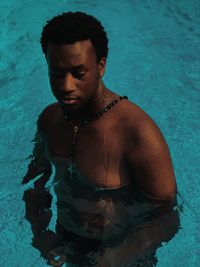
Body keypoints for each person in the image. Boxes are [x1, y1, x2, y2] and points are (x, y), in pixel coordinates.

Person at [22, 11, 180, 267]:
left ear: (101, 66)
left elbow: (167, 219)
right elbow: (34, 185)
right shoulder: (49, 120)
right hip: (66, 243)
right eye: (56, 73)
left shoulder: (138, 134)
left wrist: (115, 259)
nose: (66, 86)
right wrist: (40, 235)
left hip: (124, 254)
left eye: (78, 72)